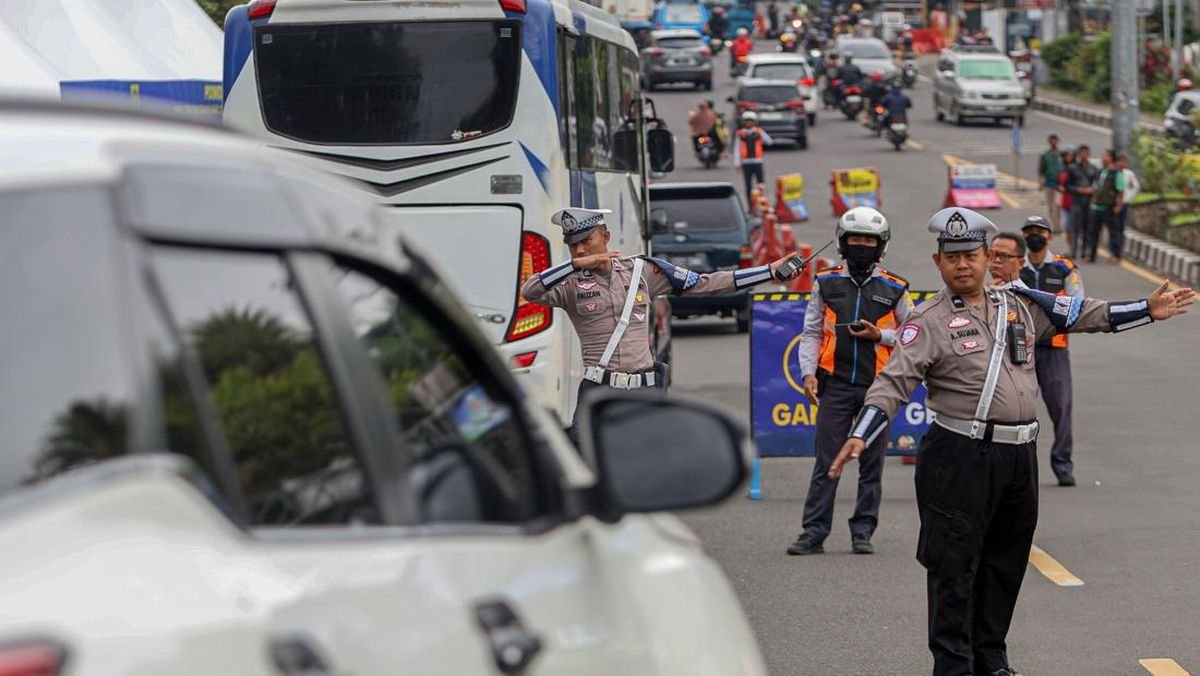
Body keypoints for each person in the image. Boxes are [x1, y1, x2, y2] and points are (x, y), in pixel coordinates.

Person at [828, 207, 1195, 676]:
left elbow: (1084, 316)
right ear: (938, 262)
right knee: (953, 568)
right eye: (952, 256)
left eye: (972, 255)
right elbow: (893, 382)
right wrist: (862, 434)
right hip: (959, 457)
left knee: (1005, 564)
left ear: (987, 260)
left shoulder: (1019, 305)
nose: (963, 264)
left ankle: (991, 660)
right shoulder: (927, 321)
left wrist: (1147, 310)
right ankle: (954, 666)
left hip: (1019, 455)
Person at [521, 208, 803, 436]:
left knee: (651, 469)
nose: (581, 250)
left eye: (586, 241)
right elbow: (530, 291)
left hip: (645, 390)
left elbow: (706, 284)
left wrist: (768, 272)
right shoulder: (568, 284)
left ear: (605, 236)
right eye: (573, 245)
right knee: (593, 473)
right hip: (599, 392)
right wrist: (572, 266)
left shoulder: (641, 271)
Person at [787, 207, 914, 557]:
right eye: (855, 239)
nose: (861, 246)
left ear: (880, 246)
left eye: (868, 241)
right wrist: (808, 373)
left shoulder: (896, 287)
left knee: (872, 464)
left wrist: (881, 336)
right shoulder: (825, 282)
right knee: (826, 461)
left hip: (878, 388)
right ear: (843, 243)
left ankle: (863, 531)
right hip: (836, 384)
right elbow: (811, 331)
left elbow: (915, 334)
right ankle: (813, 533)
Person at [1018, 215, 1084, 487]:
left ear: (1049, 237)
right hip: (1020, 346)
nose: (1035, 235)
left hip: (1054, 348)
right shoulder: (1015, 268)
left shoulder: (1065, 269)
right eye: (1030, 231)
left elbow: (1077, 306)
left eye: (1040, 231)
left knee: (1061, 407)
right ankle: (1018, 468)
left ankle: (1062, 464)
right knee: (1017, 408)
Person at [1086, 149, 1125, 264]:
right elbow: (1096, 187)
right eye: (1103, 155)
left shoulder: (1116, 173)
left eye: (1106, 156)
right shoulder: (1100, 172)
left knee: (1113, 232)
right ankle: (1091, 255)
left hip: (1109, 206)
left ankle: (1115, 255)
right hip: (1097, 206)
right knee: (1093, 232)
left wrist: (1119, 205)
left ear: (1111, 158)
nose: (1103, 158)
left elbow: (1121, 191)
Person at [1064, 144, 1098, 260]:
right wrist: (1078, 190)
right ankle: (1073, 251)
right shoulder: (1072, 168)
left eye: (1086, 153)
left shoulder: (1093, 169)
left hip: (1088, 202)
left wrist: (1092, 190)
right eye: (1081, 153)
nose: (1084, 156)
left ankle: (1084, 251)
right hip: (1076, 201)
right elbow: (1067, 186)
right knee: (1075, 228)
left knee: (1087, 228)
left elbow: (1097, 184)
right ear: (1078, 155)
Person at [732, 111, 772, 203]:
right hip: (746, 163)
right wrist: (737, 163)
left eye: (751, 121)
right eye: (747, 121)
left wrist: (760, 135)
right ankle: (750, 205)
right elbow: (736, 149)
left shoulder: (758, 131)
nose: (749, 123)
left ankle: (763, 203)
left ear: (754, 122)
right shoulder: (740, 134)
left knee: (761, 184)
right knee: (748, 186)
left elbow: (769, 141)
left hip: (757, 161)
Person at [1037, 134, 1063, 234]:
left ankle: (1058, 225)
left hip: (1059, 184)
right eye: (1052, 141)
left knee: (1058, 205)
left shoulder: (1061, 155)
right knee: (1051, 206)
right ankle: (1054, 225)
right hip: (1049, 183)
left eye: (1055, 141)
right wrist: (1040, 182)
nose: (1054, 143)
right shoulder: (1045, 155)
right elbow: (1041, 170)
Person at [1118, 153, 1141, 237]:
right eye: (1120, 162)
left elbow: (1136, 186)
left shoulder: (1129, 173)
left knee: (1122, 222)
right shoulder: (1115, 172)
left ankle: (1120, 239)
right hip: (1114, 202)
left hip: (1124, 202)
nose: (1122, 164)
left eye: (1124, 162)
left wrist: (1129, 197)